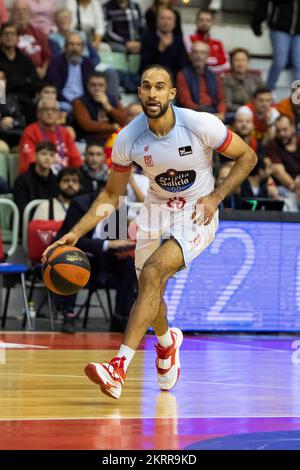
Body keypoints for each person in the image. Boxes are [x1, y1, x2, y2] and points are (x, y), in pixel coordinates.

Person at [44, 64, 257, 399]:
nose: (153, 93)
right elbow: (111, 195)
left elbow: (248, 155)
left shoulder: (199, 124)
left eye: (160, 87)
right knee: (149, 285)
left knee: (154, 271)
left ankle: (118, 367)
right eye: (146, 87)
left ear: (171, 93)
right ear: (139, 93)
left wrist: (216, 197)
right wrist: (75, 232)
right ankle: (167, 343)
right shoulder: (128, 138)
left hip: (197, 211)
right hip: (155, 213)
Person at [18, 97, 82, 174]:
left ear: (59, 114)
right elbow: (30, 162)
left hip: (63, 179)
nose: (49, 112)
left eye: (53, 110)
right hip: (39, 178)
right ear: (38, 113)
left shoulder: (64, 132)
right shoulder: (30, 131)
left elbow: (76, 160)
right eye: (45, 109)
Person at [251, 0, 300, 90]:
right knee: (280, 61)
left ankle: (297, 96)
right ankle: (268, 90)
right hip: (279, 28)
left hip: (298, 33)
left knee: (298, 63)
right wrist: (257, 22)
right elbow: (264, 3)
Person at [176, 41, 226, 121]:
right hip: (193, 114)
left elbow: (221, 100)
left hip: (214, 112)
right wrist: (208, 115)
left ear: (207, 56)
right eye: (196, 52)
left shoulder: (214, 76)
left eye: (202, 53)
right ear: (190, 55)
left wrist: (221, 113)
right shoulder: (183, 75)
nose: (199, 56)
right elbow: (186, 102)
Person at [0, 22, 40, 120]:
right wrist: (24, 81)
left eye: (12, 34)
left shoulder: (25, 60)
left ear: (18, 38)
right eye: (6, 34)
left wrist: (11, 81)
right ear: (0, 37)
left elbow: (35, 82)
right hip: (2, 100)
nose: (9, 37)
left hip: (25, 100)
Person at [72, 71, 126, 143]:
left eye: (101, 85)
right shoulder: (78, 102)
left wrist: (108, 107)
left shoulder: (113, 99)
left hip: (113, 139)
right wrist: (113, 127)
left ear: (106, 86)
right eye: (93, 85)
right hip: (89, 140)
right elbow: (88, 126)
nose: (97, 88)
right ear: (87, 86)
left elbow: (124, 120)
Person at [13, 141, 58, 215]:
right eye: (43, 154)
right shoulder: (21, 180)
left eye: (51, 155)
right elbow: (21, 209)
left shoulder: (56, 181)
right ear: (35, 155)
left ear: (54, 158)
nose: (47, 158)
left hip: (51, 222)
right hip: (28, 222)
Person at [140, 8, 187, 79]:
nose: (166, 21)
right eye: (162, 18)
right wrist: (159, 50)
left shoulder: (178, 40)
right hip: (151, 77)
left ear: (174, 23)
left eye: (169, 19)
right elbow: (144, 64)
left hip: (173, 79)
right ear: (157, 21)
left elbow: (182, 64)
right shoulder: (147, 37)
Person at [10, 0, 52, 78]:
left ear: (30, 13)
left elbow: (47, 57)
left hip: (37, 75)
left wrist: (43, 69)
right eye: (17, 10)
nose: (21, 13)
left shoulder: (39, 34)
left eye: (24, 10)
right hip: (16, 75)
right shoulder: (7, 34)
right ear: (12, 14)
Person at [223, 48, 264, 121]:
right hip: (237, 113)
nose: (240, 63)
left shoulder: (257, 79)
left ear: (248, 62)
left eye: (243, 60)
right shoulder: (227, 80)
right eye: (237, 60)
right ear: (231, 63)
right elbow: (228, 105)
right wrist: (247, 108)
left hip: (257, 111)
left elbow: (265, 96)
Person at [184, 8, 230, 74]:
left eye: (208, 20)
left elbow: (226, 65)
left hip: (213, 80)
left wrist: (206, 65)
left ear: (212, 23)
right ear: (196, 21)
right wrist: (216, 60)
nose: (204, 23)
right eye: (201, 20)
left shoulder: (218, 43)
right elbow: (193, 61)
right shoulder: (188, 39)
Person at [266, 114, 300, 192]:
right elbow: (278, 171)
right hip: (286, 187)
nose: (282, 134)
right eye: (278, 131)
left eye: (285, 130)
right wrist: (296, 188)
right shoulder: (273, 145)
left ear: (293, 127)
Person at [0, 66, 26, 148]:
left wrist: (13, 121)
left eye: (2, 78)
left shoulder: (12, 98)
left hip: (13, 136)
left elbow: (22, 121)